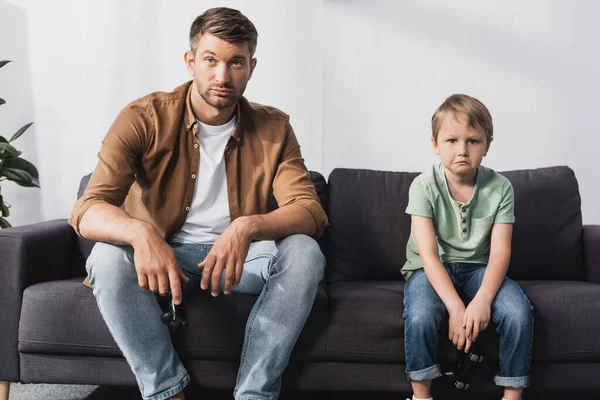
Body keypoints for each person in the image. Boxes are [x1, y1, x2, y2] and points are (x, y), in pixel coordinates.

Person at [69, 7, 328, 400]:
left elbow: (310, 211)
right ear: (191, 62)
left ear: (251, 67)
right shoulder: (144, 118)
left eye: (235, 62)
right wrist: (141, 234)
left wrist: (246, 228)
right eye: (210, 60)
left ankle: (255, 394)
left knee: (306, 253)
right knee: (105, 259)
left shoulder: (274, 128)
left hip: (238, 261)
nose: (222, 76)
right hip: (162, 259)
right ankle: (167, 391)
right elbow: (88, 208)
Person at [401, 94, 534, 400]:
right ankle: (421, 395)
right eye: (451, 140)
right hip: (428, 268)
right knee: (420, 315)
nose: (462, 150)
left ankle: (512, 395)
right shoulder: (423, 186)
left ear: (487, 145)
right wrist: (456, 307)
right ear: (435, 144)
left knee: (518, 312)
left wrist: (483, 300)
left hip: (479, 268)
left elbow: (501, 251)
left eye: (473, 141)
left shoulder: (501, 187)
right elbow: (429, 255)